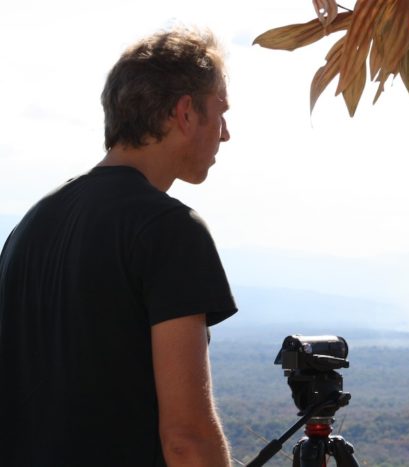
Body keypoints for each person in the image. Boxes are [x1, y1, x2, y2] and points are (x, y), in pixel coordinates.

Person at [0, 28, 237, 467]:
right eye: (220, 112)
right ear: (185, 113)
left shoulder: (30, 225)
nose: (225, 134)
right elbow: (186, 438)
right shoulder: (170, 229)